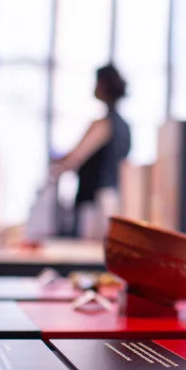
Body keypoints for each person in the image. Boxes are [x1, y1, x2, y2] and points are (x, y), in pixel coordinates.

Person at [51, 64, 131, 239]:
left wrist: (57, 165)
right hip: (112, 199)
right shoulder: (124, 127)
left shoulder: (103, 125)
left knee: (90, 251)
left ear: (103, 85)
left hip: (94, 204)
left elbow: (74, 158)